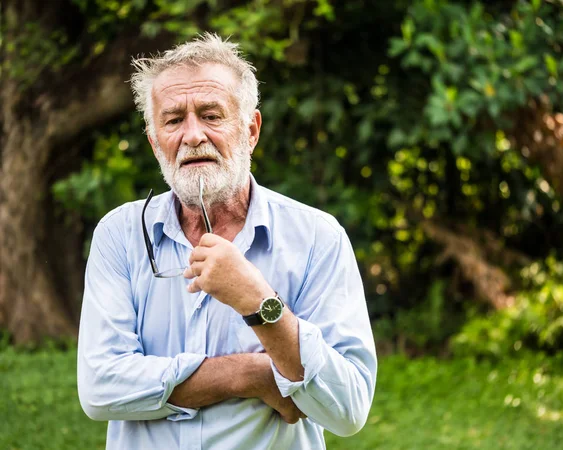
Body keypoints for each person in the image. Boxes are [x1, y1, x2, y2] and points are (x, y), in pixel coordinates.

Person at [77, 33, 377, 450]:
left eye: (211, 114)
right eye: (173, 119)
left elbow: (347, 409)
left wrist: (258, 302)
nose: (193, 135)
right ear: (154, 142)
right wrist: (249, 375)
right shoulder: (120, 234)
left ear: (250, 129)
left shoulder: (317, 237)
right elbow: (100, 388)